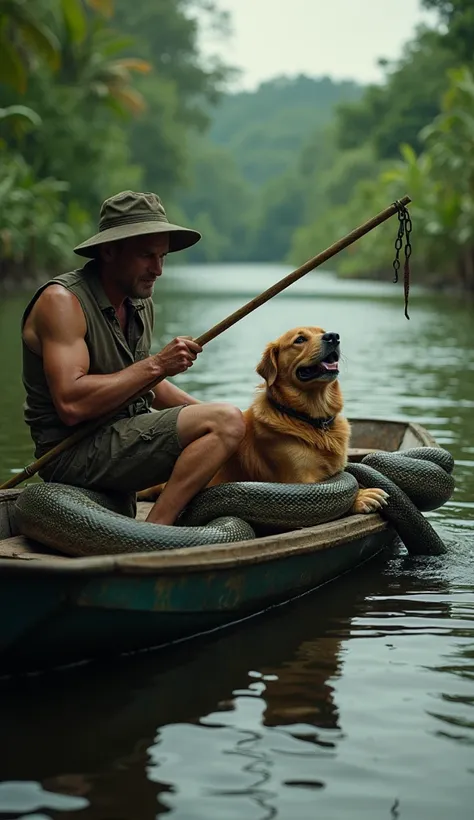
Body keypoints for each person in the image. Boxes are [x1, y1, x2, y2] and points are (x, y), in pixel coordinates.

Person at [21, 190, 245, 525]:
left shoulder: (138, 301)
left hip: (120, 441)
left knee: (230, 421)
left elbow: (142, 384)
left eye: (163, 257)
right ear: (109, 251)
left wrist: (232, 426)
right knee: (224, 421)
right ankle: (155, 531)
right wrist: (158, 364)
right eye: (146, 256)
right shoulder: (62, 302)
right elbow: (71, 404)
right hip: (72, 453)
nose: (157, 269)